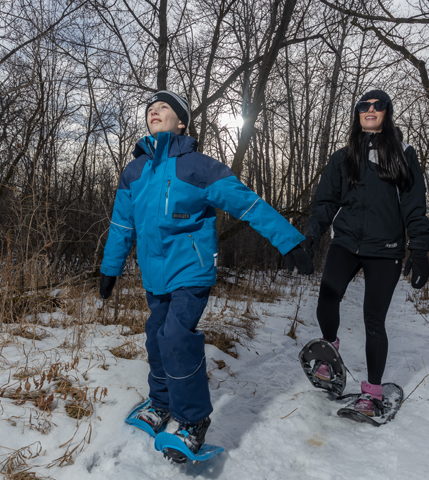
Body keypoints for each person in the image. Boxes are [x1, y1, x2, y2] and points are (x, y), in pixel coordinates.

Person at [99, 90, 313, 460]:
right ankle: (160, 402)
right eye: (150, 108)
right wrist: (108, 270)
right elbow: (121, 226)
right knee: (156, 336)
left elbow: (247, 203)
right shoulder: (133, 171)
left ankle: (193, 422)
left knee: (176, 336)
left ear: (181, 122)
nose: (155, 111)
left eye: (164, 107)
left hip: (190, 270)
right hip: (154, 275)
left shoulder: (198, 166)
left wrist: (289, 241)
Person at [302, 89, 429, 417]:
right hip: (345, 241)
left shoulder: (403, 154)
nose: (371, 109)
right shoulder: (343, 156)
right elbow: (325, 202)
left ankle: (372, 395)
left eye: (378, 105)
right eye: (365, 105)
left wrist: (418, 249)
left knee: (373, 320)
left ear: (387, 112)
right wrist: (310, 235)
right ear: (358, 113)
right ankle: (330, 352)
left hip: (385, 248)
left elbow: (414, 205)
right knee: (327, 299)